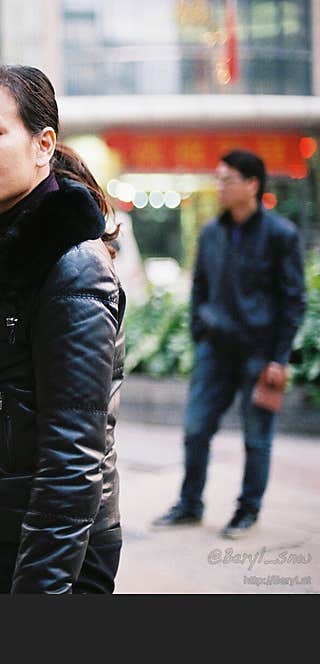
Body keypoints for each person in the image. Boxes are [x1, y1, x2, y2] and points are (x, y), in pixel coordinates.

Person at [0, 64, 125, 594]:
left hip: (50, 551)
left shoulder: (72, 267)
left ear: (43, 145)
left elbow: (74, 451)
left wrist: (41, 587)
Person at [153, 150, 306, 539]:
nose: (220, 186)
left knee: (257, 439)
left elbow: (293, 299)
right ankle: (190, 504)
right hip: (215, 352)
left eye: (228, 180)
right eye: (219, 178)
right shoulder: (212, 232)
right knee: (195, 430)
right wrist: (200, 332)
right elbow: (200, 287)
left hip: (259, 354)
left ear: (252, 184)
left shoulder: (281, 235)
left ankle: (247, 510)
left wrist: (279, 357)